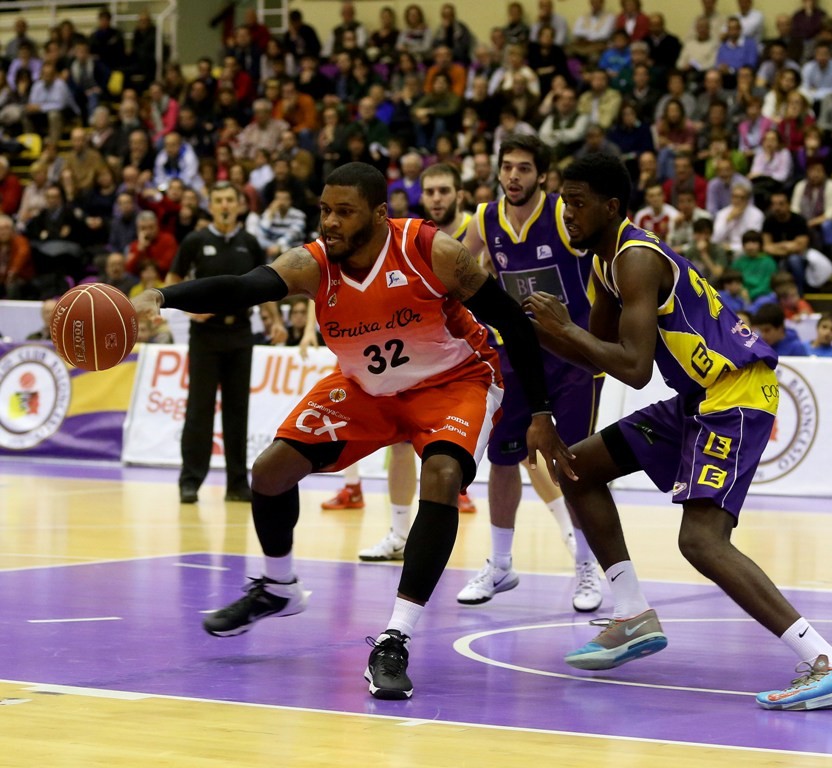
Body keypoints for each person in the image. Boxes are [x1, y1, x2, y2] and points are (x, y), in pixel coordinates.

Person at [132, 162, 572, 700]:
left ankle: (394, 637)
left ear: (380, 215)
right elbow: (245, 287)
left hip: (453, 382)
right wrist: (163, 295)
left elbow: (513, 322)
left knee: (440, 475)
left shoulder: (432, 251)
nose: (330, 223)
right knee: (269, 472)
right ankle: (278, 586)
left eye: (344, 212)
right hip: (367, 390)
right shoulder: (314, 264)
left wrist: (541, 411)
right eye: (324, 210)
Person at [524, 153, 832, 710]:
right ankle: (633, 614)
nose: (567, 214)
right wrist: (531, 362)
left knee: (700, 540)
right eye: (564, 202)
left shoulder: (636, 259)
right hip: (697, 397)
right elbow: (594, 358)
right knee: (578, 468)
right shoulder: (603, 263)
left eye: (578, 203)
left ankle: (828, 660)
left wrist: (560, 328)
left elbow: (633, 369)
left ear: (611, 207)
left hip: (735, 393)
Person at [456, 135, 605, 613]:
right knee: (502, 459)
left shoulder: (565, 216)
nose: (513, 176)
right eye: (507, 167)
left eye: (524, 168)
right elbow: (454, 271)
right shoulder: (483, 220)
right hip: (515, 355)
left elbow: (610, 261)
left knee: (577, 462)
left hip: (572, 357)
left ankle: (588, 565)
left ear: (542, 175)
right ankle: (500, 564)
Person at [347, 163, 478, 558]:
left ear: (459, 194)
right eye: (431, 191)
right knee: (401, 445)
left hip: (469, 361)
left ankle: (569, 544)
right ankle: (400, 534)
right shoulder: (408, 236)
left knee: (518, 456)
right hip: (416, 356)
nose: (437, 198)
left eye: (444, 191)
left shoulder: (476, 232)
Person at [162, 183, 286, 504]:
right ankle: (190, 481)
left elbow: (266, 287)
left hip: (241, 334)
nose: (225, 205)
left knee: (237, 411)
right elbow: (172, 282)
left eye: (230, 200)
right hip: (205, 337)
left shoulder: (250, 243)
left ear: (240, 205)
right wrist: (190, 312)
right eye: (219, 201)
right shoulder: (195, 240)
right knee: (198, 410)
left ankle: (237, 484)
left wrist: (274, 321)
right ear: (211, 206)